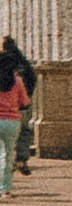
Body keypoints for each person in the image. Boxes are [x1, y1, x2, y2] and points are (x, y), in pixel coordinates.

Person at [0, 35, 33, 193]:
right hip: (12, 119)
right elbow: (26, 102)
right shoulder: (18, 79)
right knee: (7, 154)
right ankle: (5, 188)